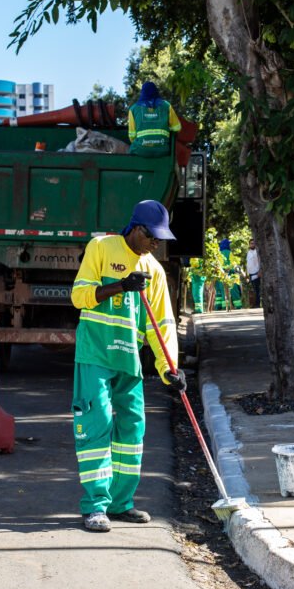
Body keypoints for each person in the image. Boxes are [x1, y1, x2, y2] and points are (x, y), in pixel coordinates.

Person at [70, 199, 186, 533]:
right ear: (136, 230)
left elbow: (161, 325)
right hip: (94, 355)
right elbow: (79, 296)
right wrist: (121, 286)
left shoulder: (155, 272)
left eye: (160, 239)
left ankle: (121, 503)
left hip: (128, 361)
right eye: (153, 237)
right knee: (98, 422)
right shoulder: (101, 248)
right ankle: (94, 506)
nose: (156, 244)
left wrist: (169, 369)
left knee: (132, 429)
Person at [127, 82, 181, 157]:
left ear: (142, 93)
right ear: (156, 91)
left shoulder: (133, 109)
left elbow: (132, 136)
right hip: (163, 150)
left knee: (129, 150)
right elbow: (177, 128)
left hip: (141, 150)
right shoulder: (166, 106)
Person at [246, 238, 261, 308]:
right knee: (254, 289)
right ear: (249, 244)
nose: (252, 244)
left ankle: (257, 304)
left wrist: (260, 271)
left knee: (257, 289)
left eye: (254, 243)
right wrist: (247, 274)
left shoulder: (257, 251)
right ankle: (255, 303)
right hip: (251, 273)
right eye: (251, 243)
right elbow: (248, 264)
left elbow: (260, 262)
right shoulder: (248, 252)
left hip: (257, 272)